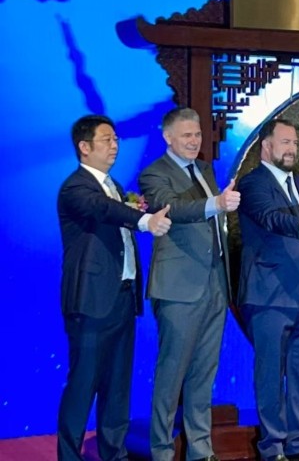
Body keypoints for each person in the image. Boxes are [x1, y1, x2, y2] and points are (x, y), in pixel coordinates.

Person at [56, 115, 171, 461]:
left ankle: (114, 454)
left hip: (122, 299)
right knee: (83, 384)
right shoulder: (76, 187)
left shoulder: (115, 186)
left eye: (116, 139)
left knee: (118, 387)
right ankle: (69, 455)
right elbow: (103, 210)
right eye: (106, 140)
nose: (115, 145)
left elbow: (115, 209)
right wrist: (143, 220)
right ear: (84, 146)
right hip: (91, 302)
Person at [139, 107, 241, 461]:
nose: (194, 141)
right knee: (172, 373)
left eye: (197, 134)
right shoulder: (154, 174)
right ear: (168, 137)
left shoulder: (205, 170)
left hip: (215, 284)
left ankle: (200, 450)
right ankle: (162, 451)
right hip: (178, 288)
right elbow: (173, 208)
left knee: (204, 372)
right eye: (186, 135)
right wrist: (216, 203)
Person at [238, 119, 299, 461]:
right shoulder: (253, 184)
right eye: (285, 142)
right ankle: (272, 447)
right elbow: (271, 218)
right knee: (269, 374)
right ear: (266, 146)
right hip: (268, 294)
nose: (292, 148)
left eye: (295, 142)